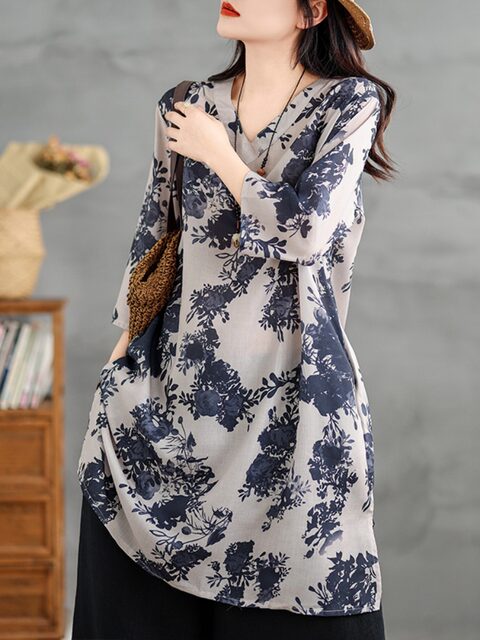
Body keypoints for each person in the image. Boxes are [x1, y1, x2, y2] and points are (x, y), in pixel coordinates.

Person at [72, 1, 396, 638]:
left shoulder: (349, 104)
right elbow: (154, 242)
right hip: (170, 400)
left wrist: (219, 154)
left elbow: (306, 233)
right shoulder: (184, 104)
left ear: (312, 11)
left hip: (294, 407)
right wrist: (115, 368)